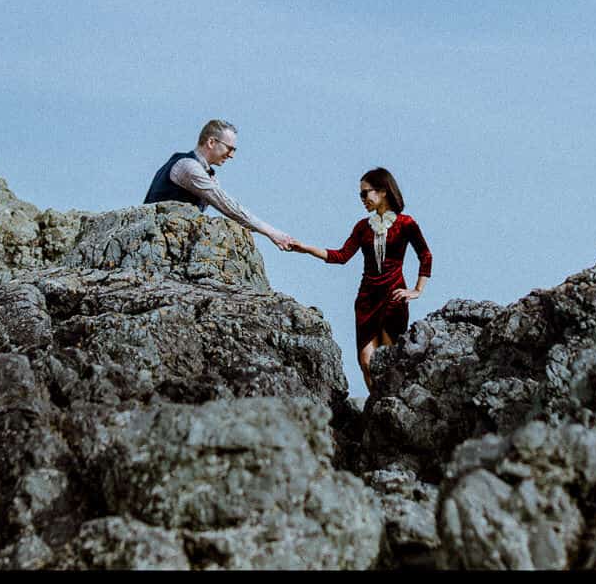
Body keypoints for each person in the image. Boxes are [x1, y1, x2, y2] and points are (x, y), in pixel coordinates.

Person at [291, 167, 431, 392]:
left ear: (383, 191)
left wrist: (416, 290)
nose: (362, 199)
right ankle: (376, 406)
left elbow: (425, 255)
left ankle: (389, 406)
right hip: (366, 299)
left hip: (393, 296)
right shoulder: (362, 227)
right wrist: (305, 248)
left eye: (365, 193)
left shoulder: (406, 223)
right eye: (361, 195)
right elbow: (341, 256)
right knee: (366, 362)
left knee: (388, 359)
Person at [144, 118, 299, 252]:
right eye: (229, 148)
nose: (231, 155)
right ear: (211, 142)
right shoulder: (188, 167)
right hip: (155, 240)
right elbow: (228, 206)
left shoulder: (206, 174)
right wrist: (272, 233)